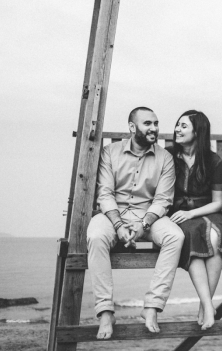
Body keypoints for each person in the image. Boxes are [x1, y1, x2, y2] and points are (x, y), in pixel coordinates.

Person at [87, 107, 184, 339]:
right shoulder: (110, 152)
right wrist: (119, 226)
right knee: (96, 235)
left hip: (148, 215)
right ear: (132, 128)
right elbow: (105, 193)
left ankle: (152, 307)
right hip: (114, 214)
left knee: (175, 236)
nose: (154, 128)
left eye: (156, 123)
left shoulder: (165, 157)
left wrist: (144, 224)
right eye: (147, 124)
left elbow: (163, 199)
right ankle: (106, 311)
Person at [167, 110, 222, 330]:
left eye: (183, 126)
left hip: (208, 213)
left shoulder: (213, 160)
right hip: (178, 215)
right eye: (177, 125)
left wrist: (192, 213)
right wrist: (184, 214)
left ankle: (204, 307)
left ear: (198, 130)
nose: (177, 129)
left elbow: (218, 202)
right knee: (194, 236)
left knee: (215, 238)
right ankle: (208, 306)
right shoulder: (168, 156)